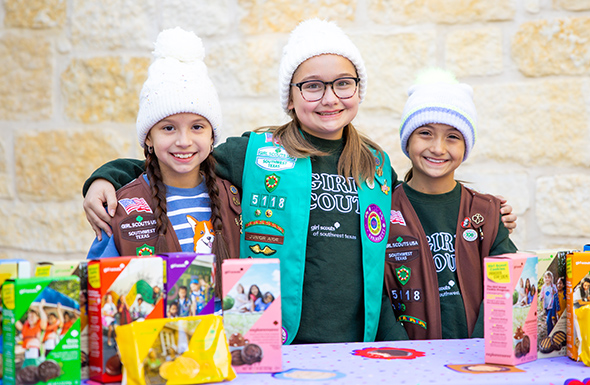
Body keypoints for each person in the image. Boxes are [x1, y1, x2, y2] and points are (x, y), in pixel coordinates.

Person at [81, 20, 516, 344]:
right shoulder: (254, 153)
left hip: (355, 340)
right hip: (271, 338)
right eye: (312, 86)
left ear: (359, 92)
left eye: (343, 84)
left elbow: (419, 206)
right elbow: (180, 156)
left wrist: (491, 215)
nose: (330, 98)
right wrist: (107, 177)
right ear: (290, 97)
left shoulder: (375, 165)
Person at [84, 27, 241, 299]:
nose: (184, 141)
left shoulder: (234, 196)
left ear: (212, 135)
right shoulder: (121, 207)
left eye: (197, 127)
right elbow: (98, 290)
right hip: (152, 340)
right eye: (168, 128)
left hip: (225, 340)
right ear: (148, 139)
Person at [383, 68, 518, 340]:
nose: (438, 148)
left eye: (452, 137)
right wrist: (399, 345)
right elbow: (375, 290)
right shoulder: (383, 211)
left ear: (466, 146)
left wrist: (483, 343)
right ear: (407, 139)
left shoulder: (487, 213)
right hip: (408, 360)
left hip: (476, 355)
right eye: (425, 133)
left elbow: (506, 282)